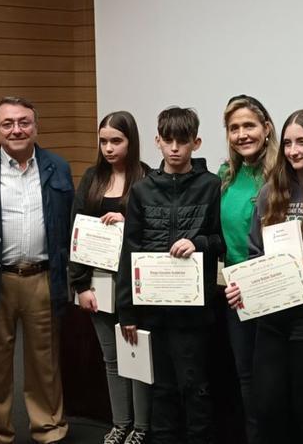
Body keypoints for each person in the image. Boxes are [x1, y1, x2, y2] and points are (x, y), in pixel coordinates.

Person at [226, 108, 303, 444]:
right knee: (269, 409)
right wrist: (244, 288)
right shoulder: (271, 192)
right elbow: (255, 253)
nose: (294, 150)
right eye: (288, 144)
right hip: (272, 319)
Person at [116, 106, 224, 444]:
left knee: (195, 386)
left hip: (195, 310)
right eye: (168, 141)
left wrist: (199, 242)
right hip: (153, 308)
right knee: (160, 387)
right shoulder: (142, 191)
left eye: (183, 141)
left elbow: (222, 239)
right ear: (157, 142)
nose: (175, 148)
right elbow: (129, 250)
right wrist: (127, 310)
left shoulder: (211, 186)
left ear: (196, 142)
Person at [0, 96, 74, 444]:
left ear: (35, 125)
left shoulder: (56, 167)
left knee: (45, 362)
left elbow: (69, 223)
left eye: (24, 122)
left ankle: (49, 430)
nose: (16, 129)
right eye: (8, 123)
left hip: (43, 278)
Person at [69, 111, 151, 444]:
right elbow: (75, 234)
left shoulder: (147, 178)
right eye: (103, 141)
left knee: (138, 358)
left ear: (131, 141)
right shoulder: (92, 178)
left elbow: (154, 233)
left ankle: (143, 428)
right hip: (98, 283)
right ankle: (121, 423)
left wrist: (125, 219)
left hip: (136, 284)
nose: (108, 148)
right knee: (112, 359)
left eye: (116, 141)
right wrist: (79, 286)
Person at [217, 94, 277, 444]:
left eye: (249, 126)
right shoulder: (226, 175)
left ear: (266, 129)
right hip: (234, 292)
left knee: (273, 377)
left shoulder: (281, 175)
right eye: (234, 128)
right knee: (246, 378)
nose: (242, 134)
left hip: (273, 288)